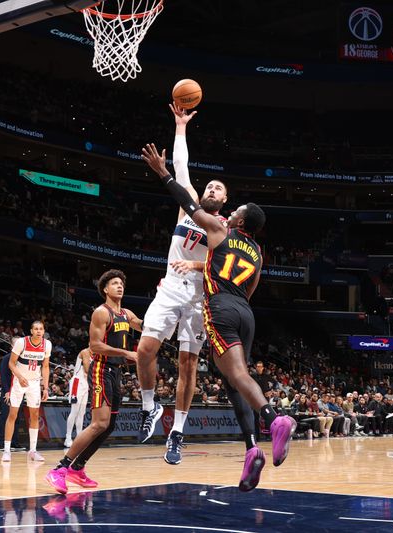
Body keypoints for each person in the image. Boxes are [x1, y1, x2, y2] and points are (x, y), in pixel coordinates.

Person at [142, 143, 294, 492]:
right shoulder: (257, 252)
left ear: (236, 219)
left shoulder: (220, 229)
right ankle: (251, 449)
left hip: (219, 308)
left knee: (237, 374)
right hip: (245, 311)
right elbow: (250, 289)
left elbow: (185, 200)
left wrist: (161, 172)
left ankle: (274, 419)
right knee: (231, 380)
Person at [136, 103, 229, 466]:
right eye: (210, 184)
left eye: (219, 188)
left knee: (188, 365)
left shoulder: (222, 230)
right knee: (145, 349)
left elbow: (220, 269)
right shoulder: (187, 205)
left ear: (224, 201)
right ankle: (150, 407)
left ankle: (177, 434)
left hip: (198, 296)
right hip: (172, 285)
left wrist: (195, 262)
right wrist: (180, 127)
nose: (212, 188)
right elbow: (180, 167)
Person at [45, 269, 142, 494]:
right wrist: (126, 353)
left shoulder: (126, 314)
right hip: (101, 369)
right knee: (99, 423)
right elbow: (95, 346)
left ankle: (78, 468)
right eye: (115, 283)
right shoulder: (101, 312)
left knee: (109, 426)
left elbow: (143, 325)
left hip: (116, 372)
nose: (120, 286)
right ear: (105, 289)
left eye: (122, 284)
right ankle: (60, 469)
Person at [1, 320, 51, 463]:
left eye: (41, 329)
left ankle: (33, 451)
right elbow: (11, 363)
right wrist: (20, 377)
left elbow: (46, 367)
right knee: (13, 414)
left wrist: (45, 387)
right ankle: (6, 451)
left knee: (35, 415)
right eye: (36, 329)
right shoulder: (21, 342)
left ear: (43, 331)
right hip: (19, 382)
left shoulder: (47, 345)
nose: (38, 331)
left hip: (35, 383)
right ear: (31, 331)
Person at [65, 347, 91, 448]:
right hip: (77, 382)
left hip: (85, 384)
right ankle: (68, 438)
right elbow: (87, 369)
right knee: (74, 411)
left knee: (82, 413)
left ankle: (79, 438)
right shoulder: (85, 352)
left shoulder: (96, 355)